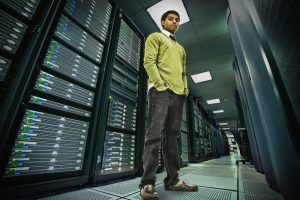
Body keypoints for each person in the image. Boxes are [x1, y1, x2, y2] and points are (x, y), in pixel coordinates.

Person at [139, 10, 198, 200]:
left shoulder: (181, 48)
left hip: (178, 94)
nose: (174, 22)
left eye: (177, 20)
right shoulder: (155, 37)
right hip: (160, 91)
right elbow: (149, 61)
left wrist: (185, 90)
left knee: (172, 138)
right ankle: (147, 183)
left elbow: (183, 72)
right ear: (163, 22)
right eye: (171, 19)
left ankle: (173, 181)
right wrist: (160, 85)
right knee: (154, 136)